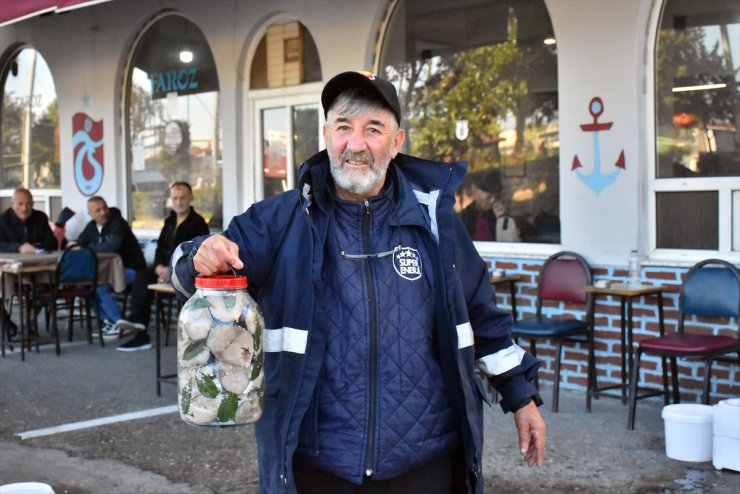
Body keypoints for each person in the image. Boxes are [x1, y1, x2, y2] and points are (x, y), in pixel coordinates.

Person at [171, 71, 545, 493]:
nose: (356, 144)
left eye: (374, 129)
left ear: (397, 141)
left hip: (425, 458)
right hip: (316, 462)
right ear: (327, 133)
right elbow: (193, 265)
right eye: (344, 127)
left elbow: (482, 315)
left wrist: (521, 397)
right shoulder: (279, 220)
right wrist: (200, 255)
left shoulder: (434, 222)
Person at [115, 182, 209, 351]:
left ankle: (191, 343)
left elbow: (195, 252)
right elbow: (160, 247)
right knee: (142, 274)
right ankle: (138, 327)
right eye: (175, 198)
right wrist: (159, 266)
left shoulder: (198, 222)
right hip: (165, 269)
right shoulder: (170, 220)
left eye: (182, 198)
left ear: (190, 198)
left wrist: (171, 269)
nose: (178, 202)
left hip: (185, 273)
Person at [76, 196, 146, 339]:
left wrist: (89, 248)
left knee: (100, 286)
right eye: (98, 210)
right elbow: (79, 243)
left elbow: (112, 246)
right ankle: (108, 321)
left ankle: (117, 322)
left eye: (104, 208)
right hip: (108, 271)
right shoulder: (91, 226)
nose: (103, 212)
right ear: (90, 214)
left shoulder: (118, 223)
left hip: (133, 270)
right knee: (85, 287)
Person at [0, 188, 59, 338]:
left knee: (46, 286)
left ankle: (27, 324)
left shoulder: (40, 217)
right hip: (9, 269)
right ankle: (6, 323)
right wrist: (18, 247)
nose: (25, 208)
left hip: (37, 268)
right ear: (13, 204)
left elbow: (52, 242)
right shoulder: (3, 220)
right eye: (20, 204)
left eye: (28, 204)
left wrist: (37, 246)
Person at [459, 169, 520, 242]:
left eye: (496, 196)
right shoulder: (464, 216)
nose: (492, 201)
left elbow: (508, 244)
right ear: (474, 189)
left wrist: (502, 218)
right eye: (489, 197)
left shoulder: (496, 214)